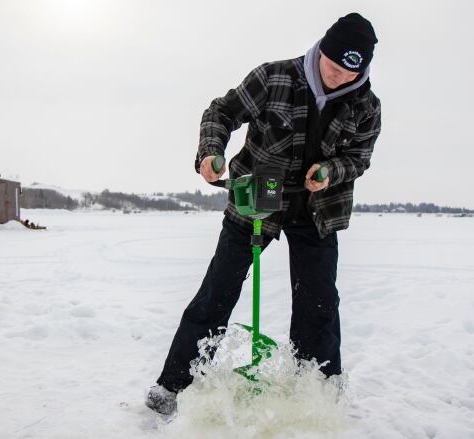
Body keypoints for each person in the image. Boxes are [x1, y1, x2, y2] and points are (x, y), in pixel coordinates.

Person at [146, 12, 382, 415]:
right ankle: (173, 386)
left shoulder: (366, 105)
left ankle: (317, 392)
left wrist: (332, 172)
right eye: (334, 66)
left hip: (318, 209)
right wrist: (210, 152)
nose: (339, 77)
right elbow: (221, 112)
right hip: (256, 195)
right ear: (321, 50)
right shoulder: (275, 78)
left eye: (349, 72)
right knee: (217, 291)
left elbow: (359, 157)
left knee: (319, 302)